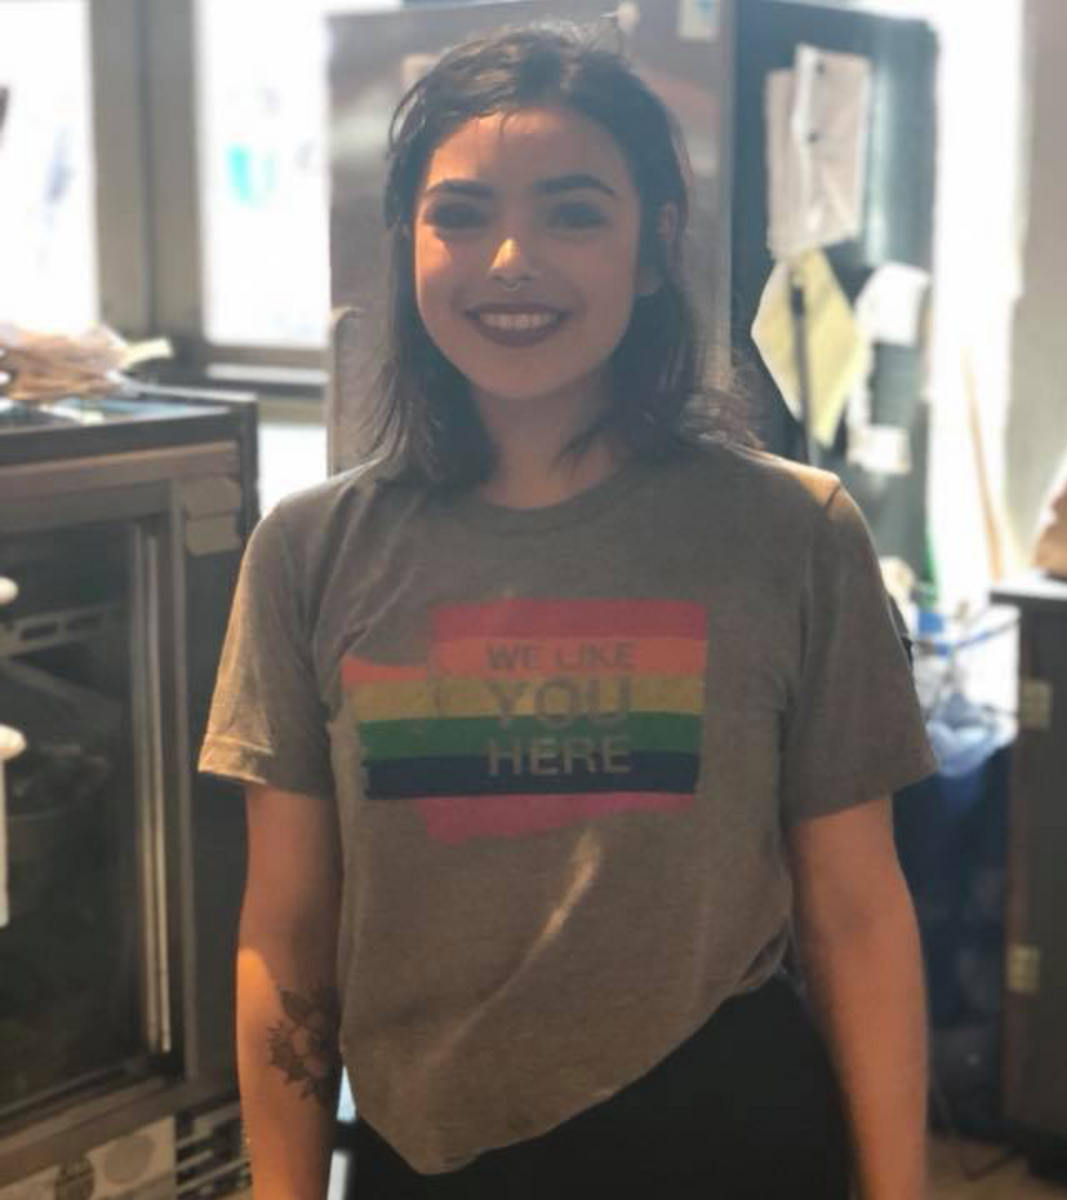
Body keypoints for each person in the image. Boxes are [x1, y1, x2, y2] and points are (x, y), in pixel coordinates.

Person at [200, 23, 935, 1200]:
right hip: (426, 1152)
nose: (509, 261)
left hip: (724, 1139)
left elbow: (856, 911)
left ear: (652, 250)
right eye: (461, 214)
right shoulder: (308, 553)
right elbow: (287, 929)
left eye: (574, 213)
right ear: (409, 245)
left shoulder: (793, 533)